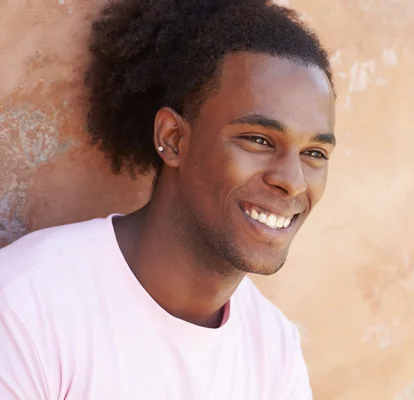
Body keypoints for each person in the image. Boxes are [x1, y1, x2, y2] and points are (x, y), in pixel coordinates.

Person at [0, 0, 336, 398]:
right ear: (174, 139)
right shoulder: (26, 306)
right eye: (259, 140)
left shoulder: (274, 351)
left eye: (314, 153)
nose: (293, 182)